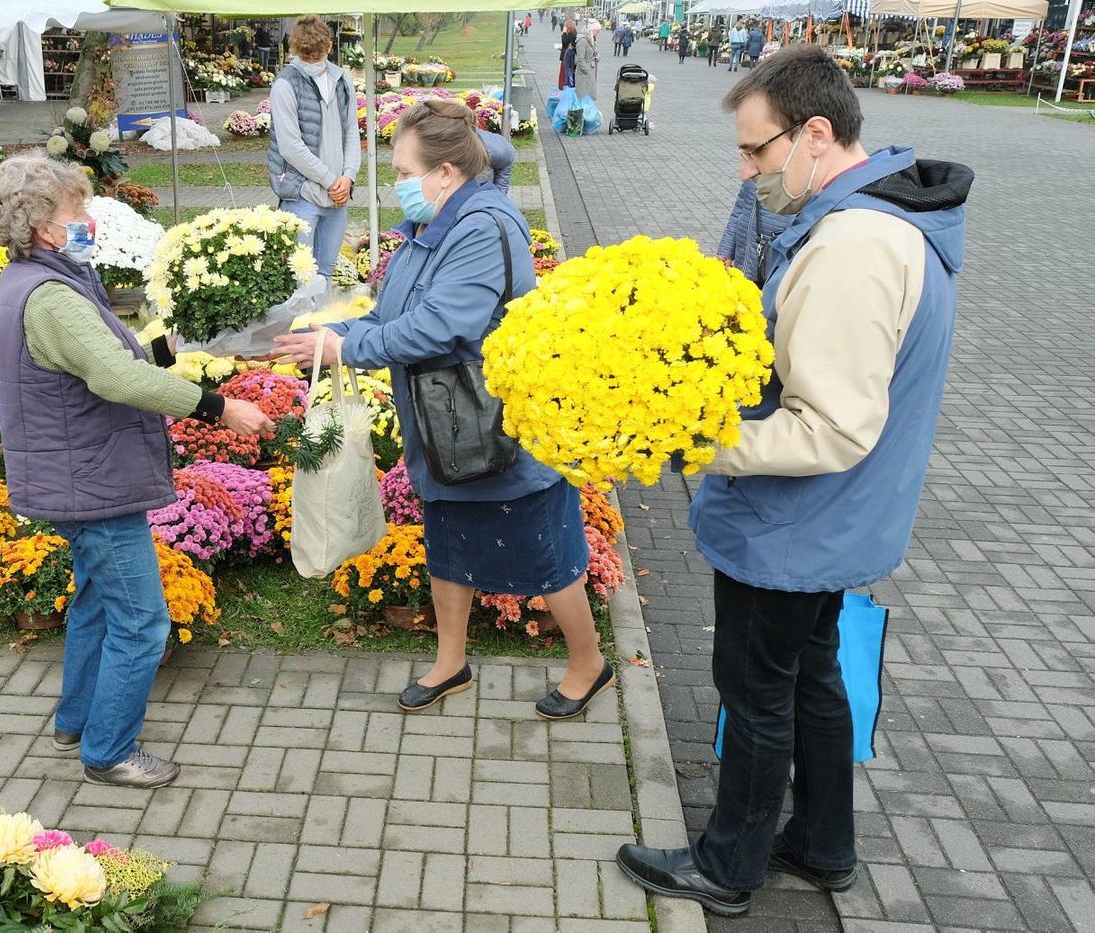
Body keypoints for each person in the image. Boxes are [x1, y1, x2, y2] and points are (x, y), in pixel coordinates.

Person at [615, 45, 972, 917]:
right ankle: (821, 842)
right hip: (837, 521)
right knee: (811, 674)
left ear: (817, 133)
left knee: (755, 687)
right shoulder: (881, 219)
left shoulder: (852, 245)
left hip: (796, 523)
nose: (747, 171)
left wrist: (698, 436)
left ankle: (729, 866)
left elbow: (832, 424)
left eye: (756, 151)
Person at [272, 101, 614, 719]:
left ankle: (589, 663)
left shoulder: (482, 227)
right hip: (445, 427)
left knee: (545, 551)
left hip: (498, 427)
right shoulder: (430, 229)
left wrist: (348, 346)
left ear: (447, 173)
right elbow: (389, 316)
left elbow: (438, 327)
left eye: (404, 168)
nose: (397, 180)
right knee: (448, 546)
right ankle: (451, 662)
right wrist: (333, 334)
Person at [0, 156, 272, 789]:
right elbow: (114, 376)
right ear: (45, 229)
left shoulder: (41, 277)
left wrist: (179, 343)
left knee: (95, 604)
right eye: (76, 213)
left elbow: (112, 354)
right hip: (91, 480)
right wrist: (219, 407)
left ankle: (77, 721)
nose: (88, 221)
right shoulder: (52, 295)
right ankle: (109, 751)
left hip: (79, 471)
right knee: (142, 621)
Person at [268, 15, 360, 281]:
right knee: (299, 277)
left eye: (317, 53)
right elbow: (290, 147)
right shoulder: (285, 85)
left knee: (325, 274)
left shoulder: (343, 81)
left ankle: (322, 324)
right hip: (302, 196)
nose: (312, 59)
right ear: (296, 50)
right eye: (306, 54)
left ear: (329, 47)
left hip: (338, 197)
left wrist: (348, 177)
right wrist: (332, 180)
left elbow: (351, 133)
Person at [717, 179, 790, 286]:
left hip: (772, 264)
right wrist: (726, 250)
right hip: (744, 259)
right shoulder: (752, 173)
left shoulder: (794, 175)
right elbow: (739, 209)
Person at [575, 22, 601, 100]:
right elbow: (580, 59)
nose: (597, 34)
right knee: (583, 96)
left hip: (590, 71)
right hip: (584, 73)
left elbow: (594, 52)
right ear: (591, 30)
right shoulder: (582, 41)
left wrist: (597, 57)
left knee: (589, 97)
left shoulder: (591, 40)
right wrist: (587, 70)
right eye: (597, 31)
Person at [560, 20, 577, 90]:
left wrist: (564, 33)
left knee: (564, 74)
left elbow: (564, 42)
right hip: (571, 57)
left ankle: (563, 87)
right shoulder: (575, 34)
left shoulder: (569, 35)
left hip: (567, 57)